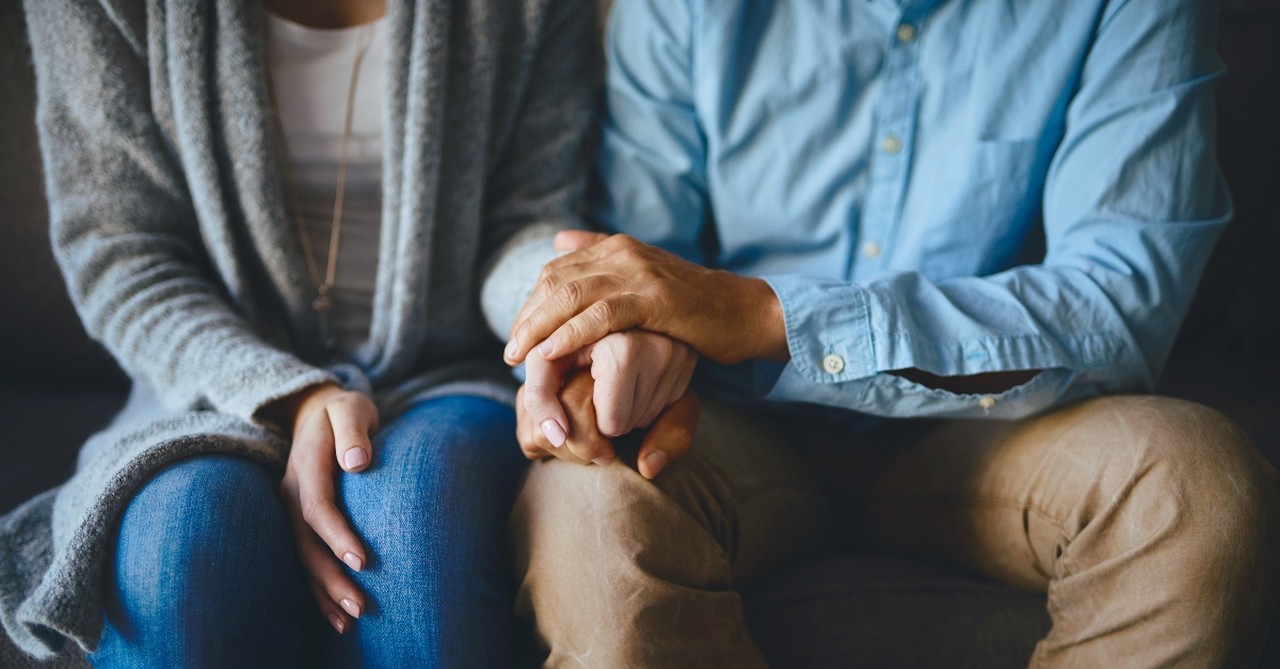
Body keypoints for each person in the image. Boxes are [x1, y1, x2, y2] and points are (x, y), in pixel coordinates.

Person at [500, 0, 1280, 666]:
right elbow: (633, 258)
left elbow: (1117, 304)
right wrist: (611, 347)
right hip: (727, 423)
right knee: (586, 510)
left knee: (1194, 488)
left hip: (997, 426)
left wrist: (763, 314)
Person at [0, 0, 596, 666]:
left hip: (446, 368)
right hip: (212, 377)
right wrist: (293, 394)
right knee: (177, 547)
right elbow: (120, 253)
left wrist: (566, 311)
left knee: (417, 530)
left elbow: (529, 219)